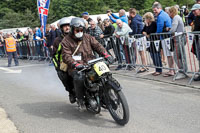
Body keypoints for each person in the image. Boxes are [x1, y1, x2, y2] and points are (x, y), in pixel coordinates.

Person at [61, 18, 113, 109]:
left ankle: (108, 92)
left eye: (81, 30)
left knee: (105, 72)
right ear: (73, 29)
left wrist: (107, 55)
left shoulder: (88, 37)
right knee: (79, 77)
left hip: (91, 62)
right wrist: (74, 64)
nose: (79, 32)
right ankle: (80, 99)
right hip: (76, 66)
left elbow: (98, 46)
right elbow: (66, 56)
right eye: (77, 30)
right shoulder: (66, 41)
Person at [52, 17, 76, 103]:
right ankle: (71, 93)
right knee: (64, 77)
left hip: (80, 62)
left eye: (68, 26)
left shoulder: (77, 36)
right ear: (61, 28)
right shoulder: (57, 40)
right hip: (66, 65)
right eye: (65, 26)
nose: (67, 28)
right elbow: (54, 56)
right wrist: (58, 67)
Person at [153, 3, 174, 76]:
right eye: (153, 11)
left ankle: (171, 70)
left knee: (168, 54)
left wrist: (156, 34)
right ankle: (171, 70)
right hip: (166, 36)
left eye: (155, 10)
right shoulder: (163, 14)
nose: (154, 12)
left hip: (165, 37)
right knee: (169, 55)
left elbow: (160, 26)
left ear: (159, 8)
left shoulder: (161, 16)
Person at [169, 6, 188, 80]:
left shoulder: (175, 18)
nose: (169, 15)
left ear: (172, 12)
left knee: (177, 56)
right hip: (180, 38)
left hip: (178, 39)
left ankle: (182, 71)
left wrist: (169, 30)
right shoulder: (178, 17)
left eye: (169, 13)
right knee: (181, 56)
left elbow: (173, 29)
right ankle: (183, 70)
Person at [129, 8, 147, 73]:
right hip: (141, 36)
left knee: (141, 52)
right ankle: (144, 65)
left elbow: (135, 31)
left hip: (139, 37)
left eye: (129, 13)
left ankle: (144, 66)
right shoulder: (138, 17)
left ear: (131, 13)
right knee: (142, 52)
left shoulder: (134, 20)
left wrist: (129, 33)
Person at [190, 4, 200, 81]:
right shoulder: (196, 18)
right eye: (193, 11)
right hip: (197, 40)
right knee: (199, 57)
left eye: (195, 10)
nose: (193, 12)